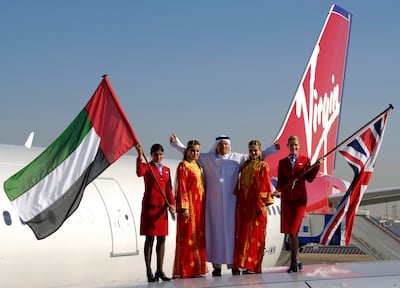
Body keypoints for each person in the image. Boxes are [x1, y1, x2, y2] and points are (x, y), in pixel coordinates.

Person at [170, 133, 279, 276]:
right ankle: (216, 266)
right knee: (214, 234)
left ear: (229, 145)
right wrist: (176, 143)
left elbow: (257, 156)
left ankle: (233, 265)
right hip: (212, 205)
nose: (223, 147)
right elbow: (189, 152)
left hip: (231, 205)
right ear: (216, 146)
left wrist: (272, 149)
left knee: (232, 234)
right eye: (221, 144)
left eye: (226, 144)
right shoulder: (207, 159)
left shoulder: (237, 158)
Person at [275, 135, 321, 273]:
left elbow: (310, 178)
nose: (293, 147)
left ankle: (293, 262)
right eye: (291, 145)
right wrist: (277, 192)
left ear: (299, 146)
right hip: (287, 200)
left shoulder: (305, 160)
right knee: (290, 231)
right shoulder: (283, 162)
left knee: (294, 231)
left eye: (296, 145)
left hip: (300, 201)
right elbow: (281, 182)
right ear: (288, 146)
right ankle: (297, 260)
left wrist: (316, 166)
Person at [135, 143, 176, 282]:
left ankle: (160, 270)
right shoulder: (148, 167)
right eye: (155, 154)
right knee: (150, 239)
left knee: (162, 239)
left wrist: (172, 204)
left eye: (160, 154)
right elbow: (139, 172)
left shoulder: (166, 170)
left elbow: (169, 189)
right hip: (150, 208)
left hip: (162, 209)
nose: (158, 157)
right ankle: (149, 271)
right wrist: (140, 155)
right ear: (151, 155)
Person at [233, 140, 274, 274]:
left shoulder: (263, 166)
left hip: (257, 206)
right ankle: (245, 265)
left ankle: (254, 266)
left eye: (255, 150)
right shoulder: (244, 166)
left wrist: (262, 204)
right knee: (244, 236)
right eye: (251, 150)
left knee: (256, 237)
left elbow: (265, 185)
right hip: (245, 207)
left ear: (260, 151)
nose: (253, 153)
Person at [173, 140, 208, 278]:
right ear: (187, 151)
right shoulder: (183, 166)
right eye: (192, 151)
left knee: (198, 238)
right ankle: (185, 269)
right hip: (189, 206)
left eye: (197, 151)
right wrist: (184, 207)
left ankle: (197, 269)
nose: (195, 153)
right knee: (187, 236)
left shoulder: (198, 166)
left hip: (199, 206)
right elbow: (181, 188)